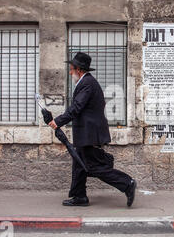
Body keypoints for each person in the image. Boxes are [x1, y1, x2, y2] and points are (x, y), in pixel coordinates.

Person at [48, 52, 137, 207]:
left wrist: (58, 121)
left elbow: (77, 107)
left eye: (71, 69)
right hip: (86, 134)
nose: (70, 72)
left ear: (79, 70)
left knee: (94, 167)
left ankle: (127, 183)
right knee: (79, 166)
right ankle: (79, 196)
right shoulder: (85, 83)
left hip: (90, 135)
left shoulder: (87, 84)